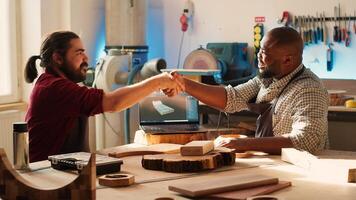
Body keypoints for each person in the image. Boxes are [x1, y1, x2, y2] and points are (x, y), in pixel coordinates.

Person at [25, 31, 181, 162]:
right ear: (58, 58)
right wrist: (158, 81)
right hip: (49, 177)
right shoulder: (54, 88)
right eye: (79, 53)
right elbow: (113, 103)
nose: (86, 58)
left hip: (60, 170)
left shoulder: (51, 84)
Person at [169, 27, 329, 154]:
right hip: (273, 163)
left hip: (301, 170)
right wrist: (184, 84)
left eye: (265, 53)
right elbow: (231, 98)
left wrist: (244, 143)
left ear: (287, 59)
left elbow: (305, 140)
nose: (258, 56)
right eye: (259, 50)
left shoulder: (308, 89)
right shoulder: (267, 78)